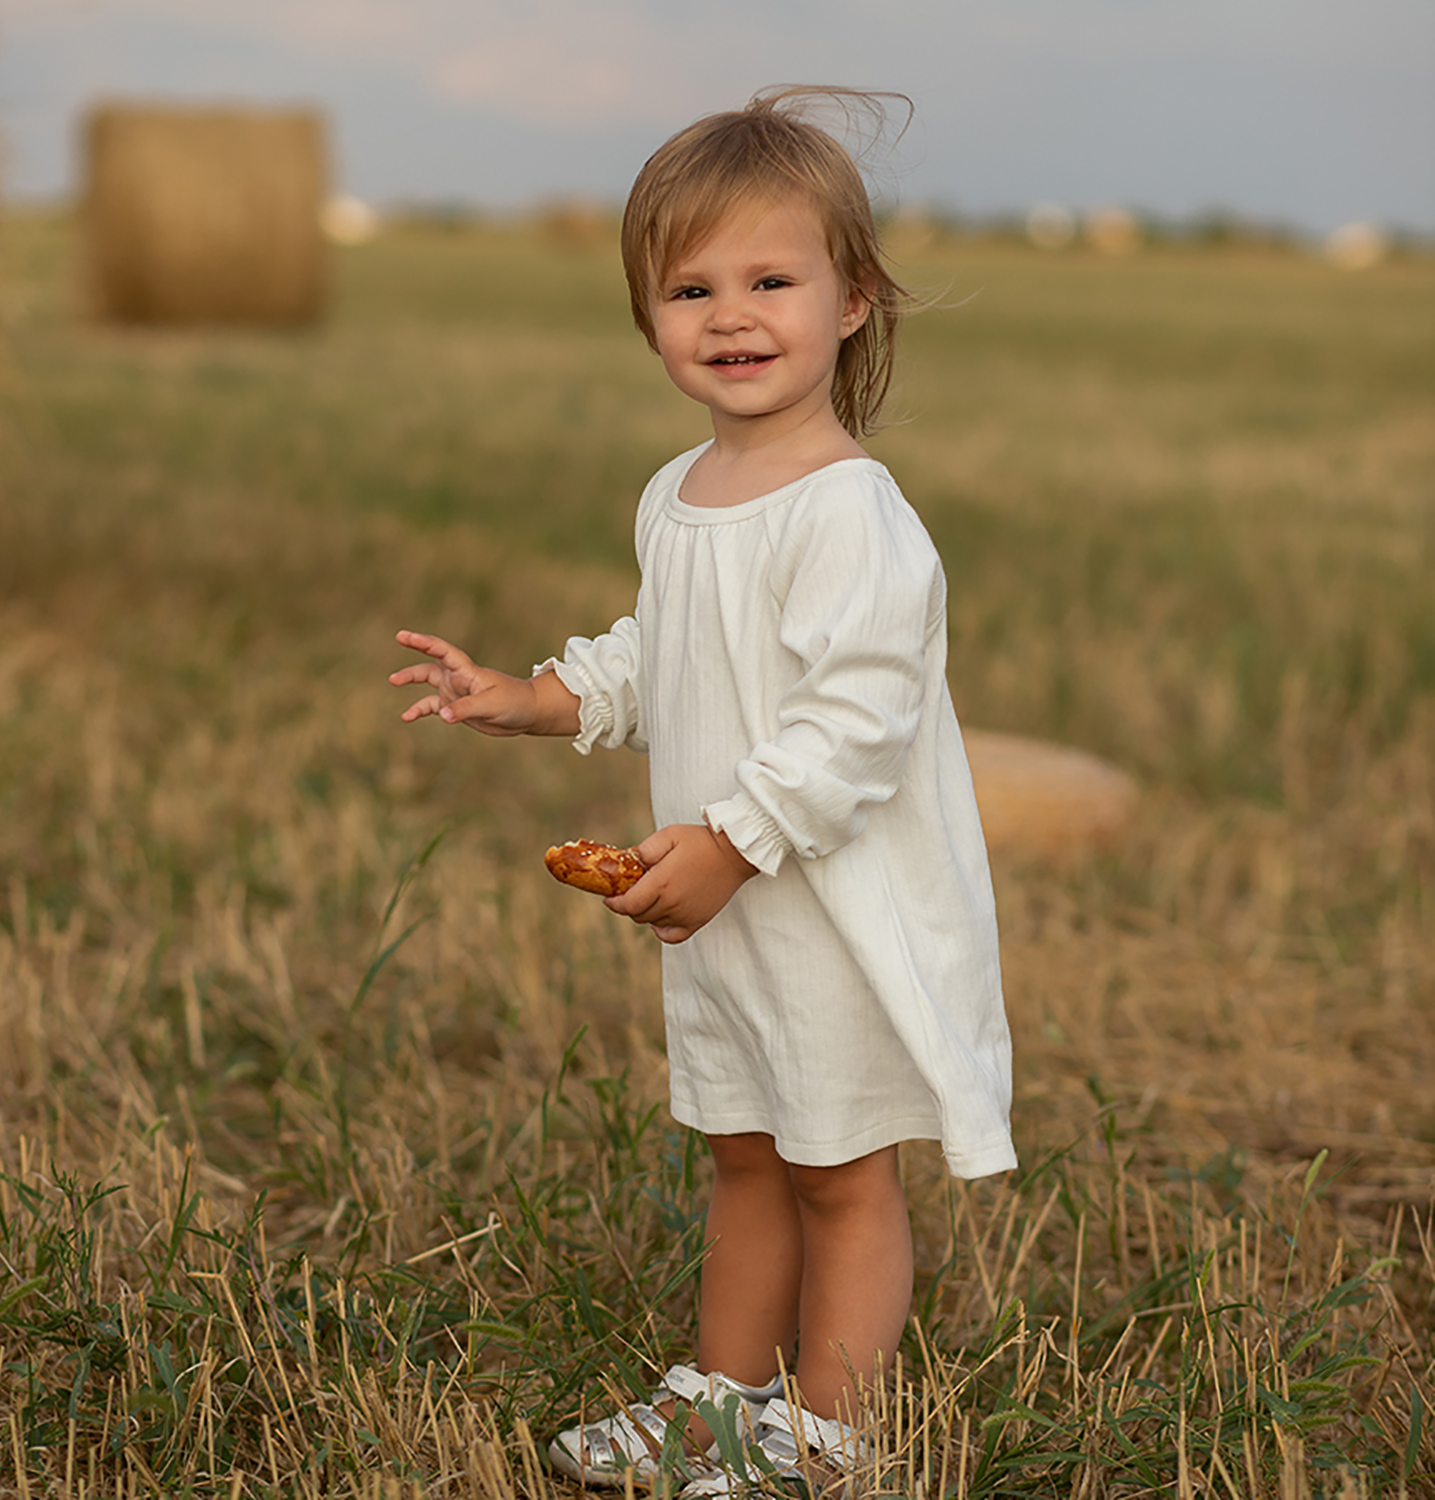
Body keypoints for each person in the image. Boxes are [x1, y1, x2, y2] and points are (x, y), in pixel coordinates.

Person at [389, 87, 1017, 1493]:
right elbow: (662, 654)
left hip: (828, 908)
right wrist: (536, 696)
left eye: (770, 280)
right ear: (650, 319)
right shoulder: (679, 491)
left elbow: (858, 722)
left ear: (853, 301)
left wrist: (733, 839)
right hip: (727, 913)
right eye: (690, 288)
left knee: (842, 1174)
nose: (730, 315)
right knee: (746, 1153)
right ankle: (720, 1398)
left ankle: (827, 1433)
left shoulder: (852, 510)